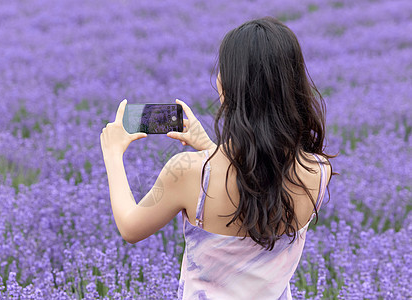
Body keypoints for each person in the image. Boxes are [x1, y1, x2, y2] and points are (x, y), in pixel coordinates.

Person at [100, 16, 336, 300]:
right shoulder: (318, 171)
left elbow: (130, 227)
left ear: (230, 88)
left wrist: (113, 154)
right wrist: (208, 147)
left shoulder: (188, 172)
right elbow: (256, 183)